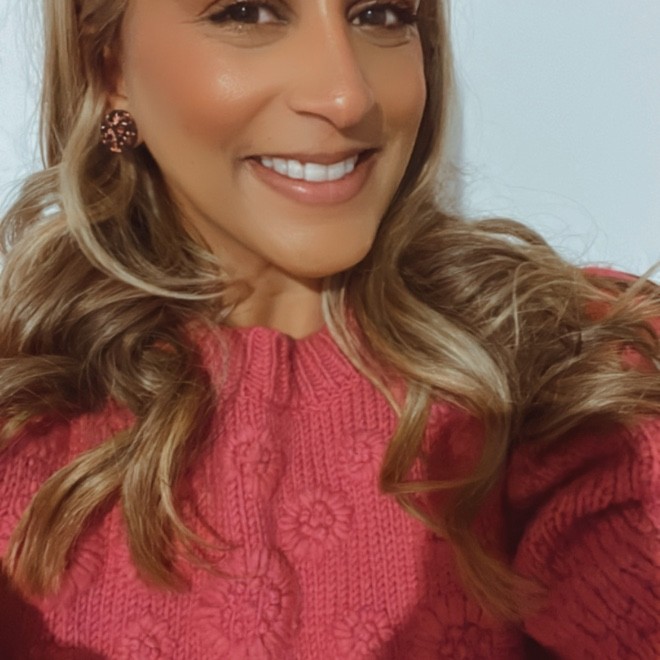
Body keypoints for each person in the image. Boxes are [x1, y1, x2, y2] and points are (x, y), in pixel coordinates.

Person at [0, 0, 658, 657]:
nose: (348, 96)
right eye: (247, 12)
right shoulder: (19, 414)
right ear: (108, 65)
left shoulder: (572, 367)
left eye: (382, 14)